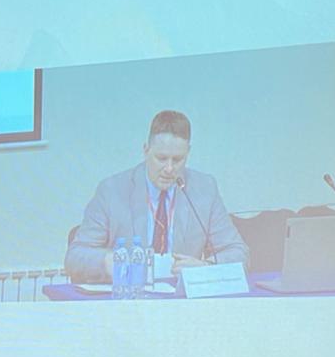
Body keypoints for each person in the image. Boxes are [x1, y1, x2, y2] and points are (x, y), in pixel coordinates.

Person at [64, 110, 248, 284]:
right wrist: (108, 262)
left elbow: (239, 253)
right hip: (130, 297)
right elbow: (75, 257)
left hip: (181, 299)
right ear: (146, 151)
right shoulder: (112, 190)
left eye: (177, 160)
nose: (169, 169)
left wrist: (206, 268)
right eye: (161, 158)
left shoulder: (205, 189)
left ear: (188, 153)